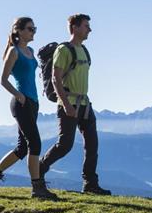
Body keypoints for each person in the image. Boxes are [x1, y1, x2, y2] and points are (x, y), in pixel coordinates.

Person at [0, 17, 57, 200]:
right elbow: (3, 80)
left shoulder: (29, 51)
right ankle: (37, 187)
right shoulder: (13, 52)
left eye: (34, 29)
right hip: (21, 103)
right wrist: (19, 95)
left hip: (33, 102)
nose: (33, 32)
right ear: (19, 31)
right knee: (35, 143)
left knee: (23, 148)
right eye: (30, 29)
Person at [39, 14, 111, 195]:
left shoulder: (84, 51)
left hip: (85, 103)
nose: (90, 30)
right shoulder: (64, 50)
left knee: (92, 144)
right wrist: (65, 105)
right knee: (65, 145)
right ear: (75, 27)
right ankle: (39, 170)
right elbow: (56, 80)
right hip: (69, 103)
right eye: (86, 26)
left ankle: (90, 184)